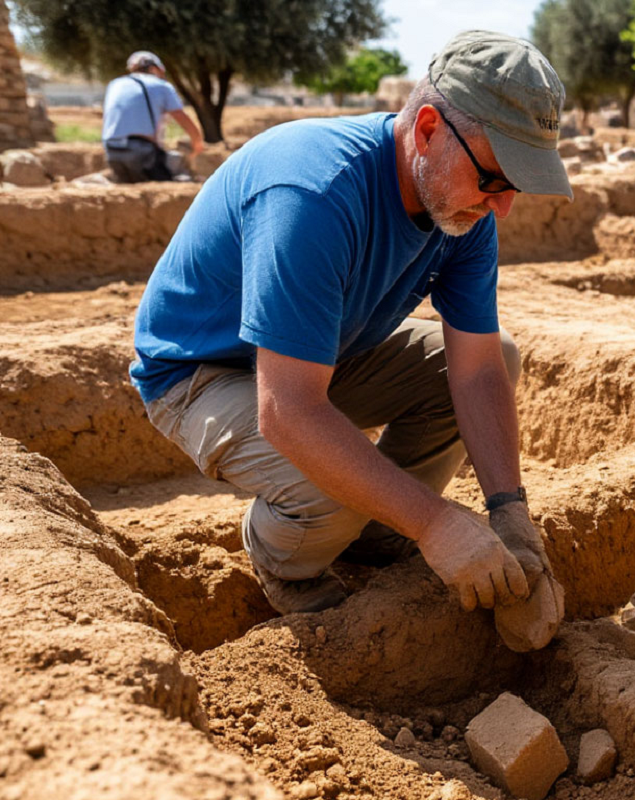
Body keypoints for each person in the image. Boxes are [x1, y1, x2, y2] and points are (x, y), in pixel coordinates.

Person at [130, 30, 572, 647]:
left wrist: (510, 512)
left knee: (497, 355)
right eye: (496, 179)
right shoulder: (312, 194)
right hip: (201, 374)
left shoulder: (464, 206)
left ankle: (379, 529)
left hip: (319, 357)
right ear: (425, 131)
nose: (503, 208)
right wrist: (437, 521)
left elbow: (475, 370)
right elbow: (287, 411)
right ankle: (284, 558)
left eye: (516, 187)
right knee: (328, 489)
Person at [102, 51, 204, 182]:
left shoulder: (115, 84)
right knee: (178, 180)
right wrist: (197, 143)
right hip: (141, 152)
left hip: (112, 151)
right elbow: (180, 116)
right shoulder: (161, 86)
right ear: (154, 69)